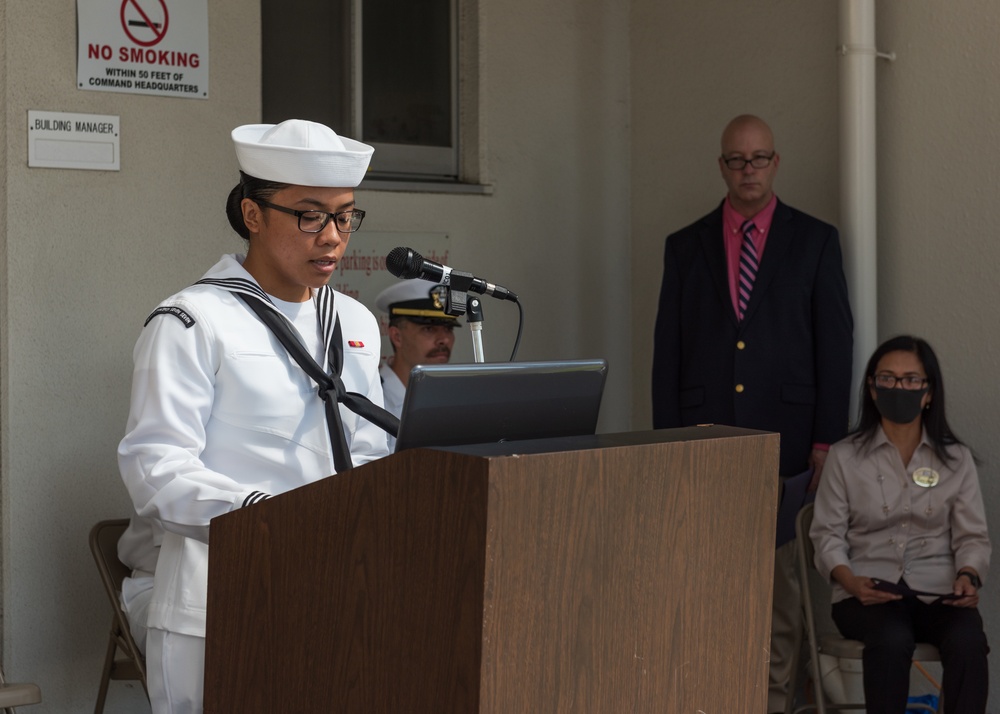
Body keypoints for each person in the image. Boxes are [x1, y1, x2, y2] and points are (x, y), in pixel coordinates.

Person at [117, 119, 392, 714]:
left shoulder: (355, 322)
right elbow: (156, 467)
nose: (332, 237)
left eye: (345, 216)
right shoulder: (192, 321)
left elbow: (370, 452)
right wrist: (265, 517)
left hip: (335, 584)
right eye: (310, 215)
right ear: (252, 214)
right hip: (220, 593)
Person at [650, 114, 854, 713]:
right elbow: (669, 354)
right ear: (722, 166)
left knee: (781, 595)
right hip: (704, 440)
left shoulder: (814, 241)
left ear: (775, 162)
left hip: (787, 444)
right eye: (737, 160)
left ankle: (771, 703)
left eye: (759, 158)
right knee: (708, 585)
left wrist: (825, 441)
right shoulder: (684, 246)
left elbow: (834, 347)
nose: (748, 171)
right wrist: (669, 443)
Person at [810, 336, 990, 714]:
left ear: (928, 393)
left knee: (968, 640)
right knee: (891, 638)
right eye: (888, 379)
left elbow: (972, 536)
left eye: (911, 380)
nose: (899, 388)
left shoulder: (956, 460)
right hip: (867, 592)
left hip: (939, 591)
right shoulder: (845, 457)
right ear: (873, 390)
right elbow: (826, 534)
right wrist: (848, 580)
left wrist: (969, 576)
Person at [374, 278, 459, 449]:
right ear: (397, 336)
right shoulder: (373, 398)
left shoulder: (454, 396)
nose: (443, 339)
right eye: (429, 329)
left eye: (448, 329)